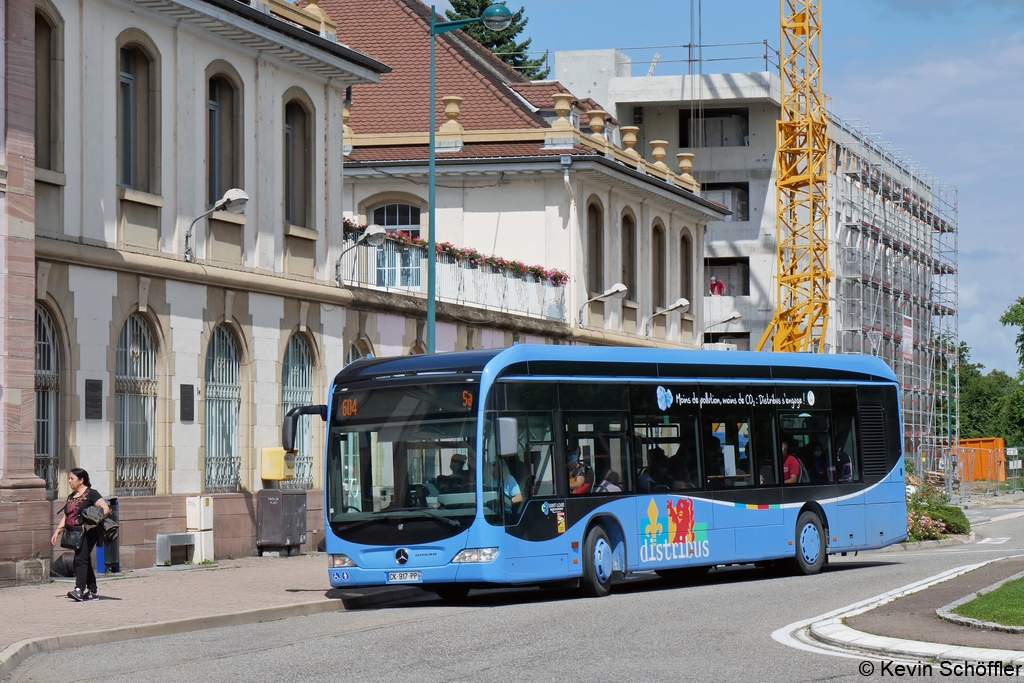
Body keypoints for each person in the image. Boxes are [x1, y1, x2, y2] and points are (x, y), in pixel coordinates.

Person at [51, 468, 110, 602]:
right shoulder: (72, 496)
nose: (69, 481)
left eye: (72, 478)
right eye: (69, 478)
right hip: (74, 533)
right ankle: (93, 590)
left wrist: (91, 521)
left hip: (89, 532)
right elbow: (67, 515)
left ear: (81, 480)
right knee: (84, 560)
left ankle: (79, 590)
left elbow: (105, 509)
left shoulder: (91, 494)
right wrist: (57, 531)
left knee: (80, 559)